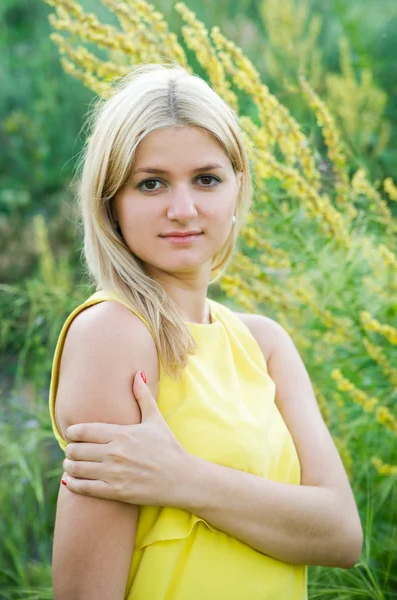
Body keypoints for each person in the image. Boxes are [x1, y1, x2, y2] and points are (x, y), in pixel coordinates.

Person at [49, 62, 363, 599]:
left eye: (207, 179)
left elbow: (340, 535)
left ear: (237, 189)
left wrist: (182, 479)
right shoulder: (114, 333)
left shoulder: (264, 344)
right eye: (151, 183)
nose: (183, 209)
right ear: (111, 203)